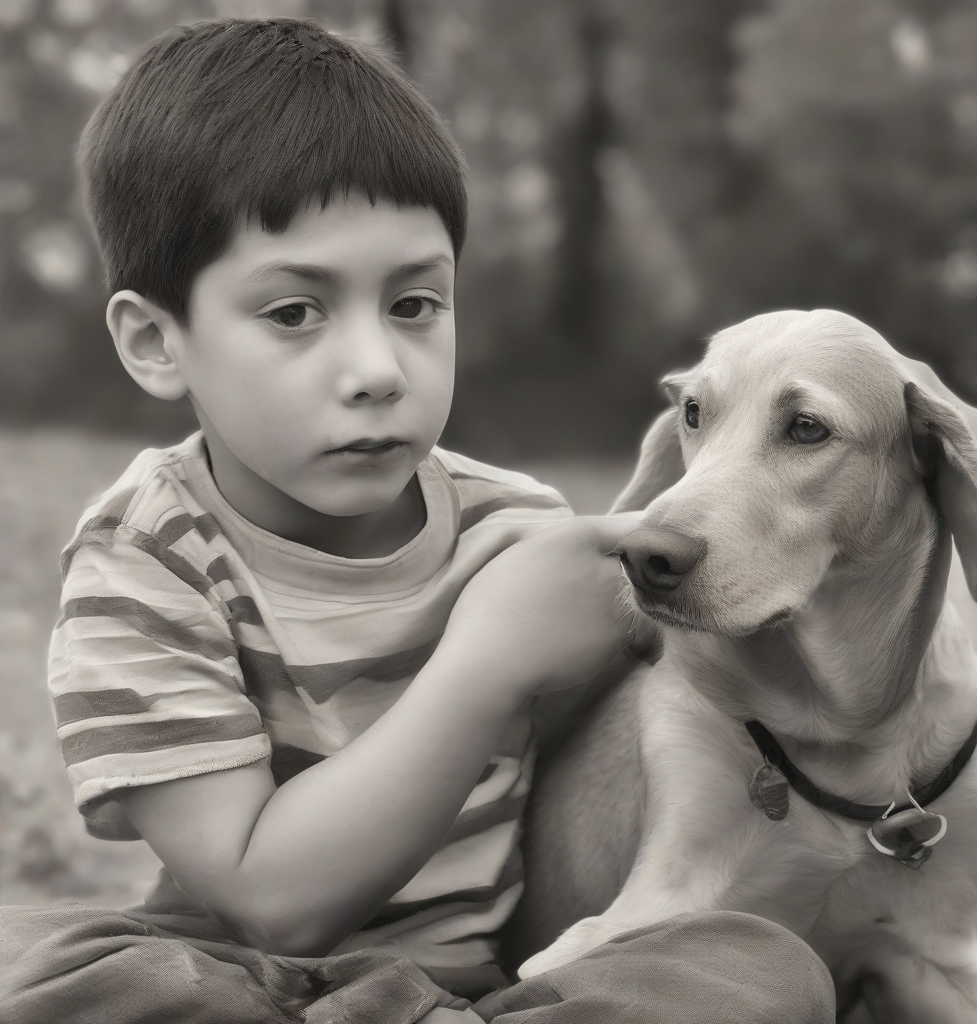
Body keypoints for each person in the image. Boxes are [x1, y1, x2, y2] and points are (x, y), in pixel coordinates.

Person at [0, 18, 835, 1023]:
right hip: (236, 975)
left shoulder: (519, 530)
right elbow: (270, 901)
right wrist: (490, 663)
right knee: (86, 977)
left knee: (759, 967)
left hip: (481, 985)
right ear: (155, 341)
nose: (377, 372)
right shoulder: (147, 560)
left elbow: (674, 737)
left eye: (413, 305)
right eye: (294, 314)